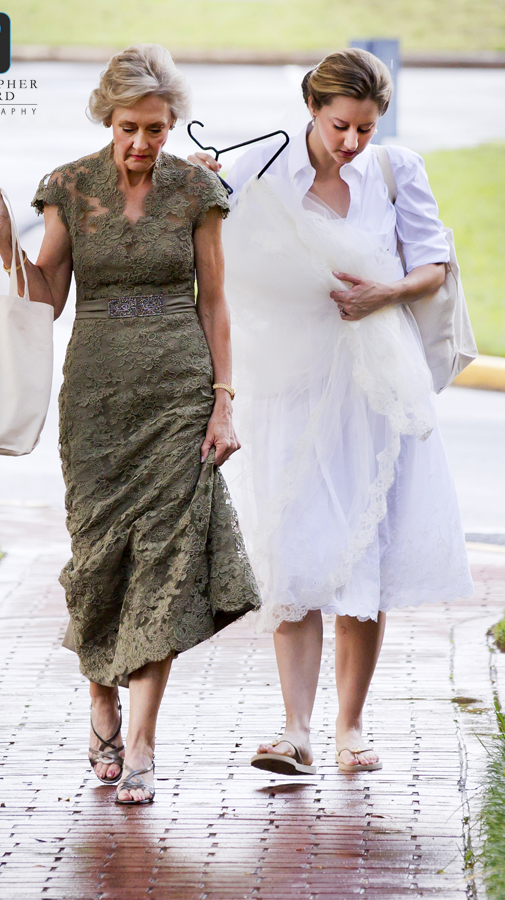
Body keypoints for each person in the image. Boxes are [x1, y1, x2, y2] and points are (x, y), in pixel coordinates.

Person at [0, 44, 260, 804]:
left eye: (157, 130)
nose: (141, 144)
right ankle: (100, 691)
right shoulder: (69, 187)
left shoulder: (198, 189)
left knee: (162, 560)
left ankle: (140, 743)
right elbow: (46, 298)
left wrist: (223, 398)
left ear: (173, 125)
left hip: (177, 394)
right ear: (108, 117)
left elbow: (215, 302)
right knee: (99, 558)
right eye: (130, 127)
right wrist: (5, 241)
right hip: (95, 396)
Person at [189, 48, 473, 775]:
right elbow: (210, 240)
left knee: (362, 555)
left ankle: (350, 729)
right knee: (295, 547)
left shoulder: (394, 171)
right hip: (291, 384)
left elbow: (435, 264)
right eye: (341, 125)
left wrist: (386, 293)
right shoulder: (262, 170)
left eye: (365, 129)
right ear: (312, 109)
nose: (351, 142)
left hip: (373, 386)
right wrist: (201, 178)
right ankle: (294, 729)